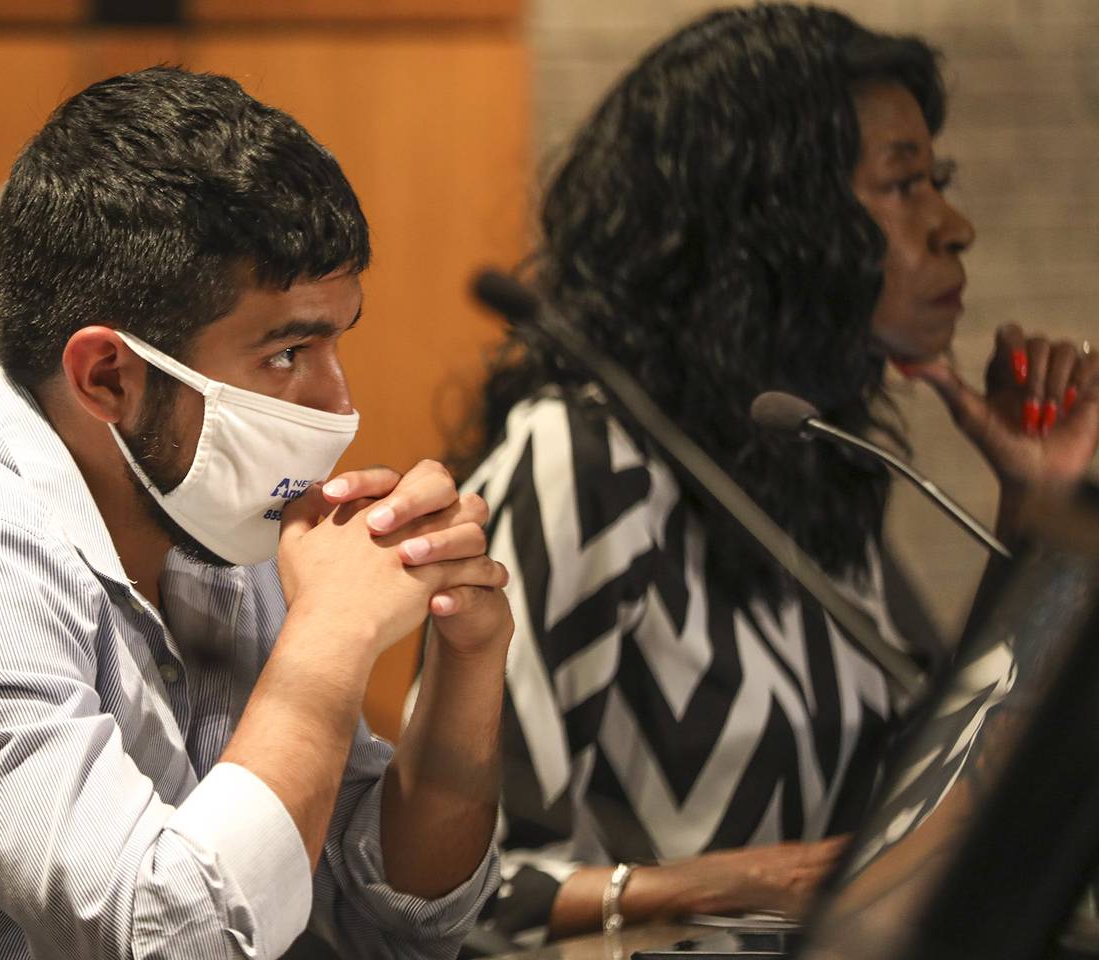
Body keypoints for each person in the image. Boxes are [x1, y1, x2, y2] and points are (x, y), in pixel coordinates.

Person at [0, 68, 514, 960]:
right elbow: (175, 943)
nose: (338, 404)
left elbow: (386, 920)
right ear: (108, 376)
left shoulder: (206, 515)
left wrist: (466, 656)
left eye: (338, 341)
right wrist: (332, 634)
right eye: (289, 351)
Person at [460, 4, 1099, 944]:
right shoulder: (583, 461)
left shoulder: (806, 461)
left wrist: (1038, 511)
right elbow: (454, 894)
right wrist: (709, 885)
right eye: (903, 186)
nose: (954, 226)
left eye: (940, 183)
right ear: (772, 220)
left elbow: (946, 814)